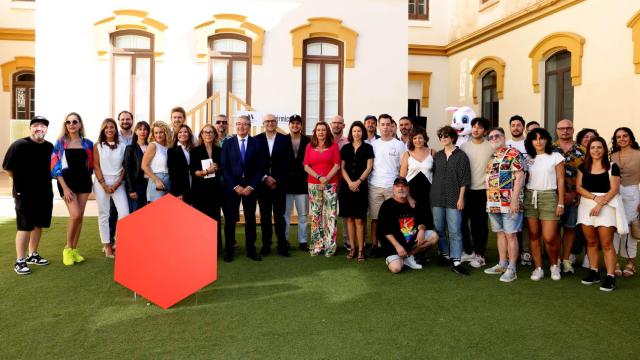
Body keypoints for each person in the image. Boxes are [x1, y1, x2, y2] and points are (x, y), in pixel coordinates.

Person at [3, 116, 53, 275]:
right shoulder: (19, 145)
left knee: (38, 224)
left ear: (46, 130)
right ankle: (20, 260)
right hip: (24, 194)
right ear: (30, 128)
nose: (39, 128)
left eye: (43, 126)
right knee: (25, 226)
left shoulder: (49, 147)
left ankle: (33, 254)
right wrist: (21, 184)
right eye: (36, 125)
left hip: (44, 193)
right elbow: (8, 168)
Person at [577, 137, 623, 291]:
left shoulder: (612, 166)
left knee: (607, 243)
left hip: (607, 206)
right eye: (593, 147)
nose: (596, 150)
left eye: (599, 147)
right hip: (586, 206)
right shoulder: (583, 167)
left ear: (604, 149)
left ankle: (610, 276)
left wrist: (600, 204)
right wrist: (595, 199)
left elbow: (615, 188)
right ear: (589, 150)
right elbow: (579, 188)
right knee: (591, 242)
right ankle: (594, 271)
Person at [50, 112, 93, 266]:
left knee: (80, 217)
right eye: (68, 122)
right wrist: (65, 188)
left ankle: (74, 250)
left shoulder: (88, 143)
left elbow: (91, 165)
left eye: (75, 121)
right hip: (67, 183)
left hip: (84, 182)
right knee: (75, 215)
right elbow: (55, 166)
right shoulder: (60, 143)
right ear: (66, 125)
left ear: (80, 124)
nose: (72, 124)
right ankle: (67, 248)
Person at [522, 128, 565, 281]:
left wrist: (561, 203)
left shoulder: (556, 157)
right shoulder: (527, 159)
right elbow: (523, 180)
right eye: (535, 139)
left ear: (547, 140)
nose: (538, 141)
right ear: (531, 142)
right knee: (534, 235)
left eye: (541, 138)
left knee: (549, 237)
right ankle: (538, 268)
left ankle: (554, 265)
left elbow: (561, 180)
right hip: (530, 197)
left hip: (549, 197)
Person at [482, 127, 525, 282]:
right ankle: (502, 263)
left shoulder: (513, 154)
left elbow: (519, 177)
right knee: (500, 233)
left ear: (504, 137)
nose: (493, 139)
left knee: (511, 235)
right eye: (490, 137)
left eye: (496, 136)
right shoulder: (493, 156)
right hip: (494, 202)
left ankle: (512, 268)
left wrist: (514, 200)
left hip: (509, 202)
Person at [221, 115, 264, 262]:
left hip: (250, 189)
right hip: (232, 188)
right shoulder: (228, 144)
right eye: (238, 124)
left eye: (245, 124)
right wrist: (235, 185)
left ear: (249, 126)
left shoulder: (257, 144)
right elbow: (224, 166)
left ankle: (251, 250)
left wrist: (251, 186)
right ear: (235, 126)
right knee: (230, 221)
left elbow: (260, 167)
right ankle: (229, 251)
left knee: (250, 220)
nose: (241, 127)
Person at [431, 125, 471, 275]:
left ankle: (456, 260)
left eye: (446, 136)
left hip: (455, 198)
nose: (443, 138)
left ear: (453, 137)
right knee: (439, 228)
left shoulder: (461, 156)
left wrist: (461, 198)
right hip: (436, 197)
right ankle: (444, 254)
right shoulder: (438, 156)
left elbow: (464, 180)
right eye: (441, 136)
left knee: (455, 230)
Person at [377, 177, 439, 273]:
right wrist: (398, 246)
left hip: (409, 242)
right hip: (393, 246)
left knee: (434, 236)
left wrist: (422, 230)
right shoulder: (387, 205)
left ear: (408, 189)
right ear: (393, 189)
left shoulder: (413, 204)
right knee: (396, 269)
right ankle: (400, 258)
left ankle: (409, 256)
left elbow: (421, 221)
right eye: (398, 186)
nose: (401, 189)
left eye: (404, 186)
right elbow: (385, 231)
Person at [368, 114, 406, 257]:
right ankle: (375, 245)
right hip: (375, 186)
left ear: (392, 126)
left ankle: (393, 246)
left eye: (387, 124)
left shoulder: (399, 145)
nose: (385, 127)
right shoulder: (373, 144)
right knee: (376, 219)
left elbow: (403, 166)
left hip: (393, 188)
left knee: (394, 219)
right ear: (379, 126)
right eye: (382, 124)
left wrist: (399, 185)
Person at [255, 113, 292, 257]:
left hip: (279, 185)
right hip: (262, 185)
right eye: (267, 121)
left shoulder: (285, 139)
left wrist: (276, 179)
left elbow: (288, 162)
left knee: (279, 216)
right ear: (263, 123)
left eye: (272, 121)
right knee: (264, 217)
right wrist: (265, 177)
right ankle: (266, 245)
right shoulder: (257, 140)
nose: (270, 123)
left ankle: (282, 245)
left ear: (276, 123)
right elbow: (255, 163)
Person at [93, 118, 129, 258]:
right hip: (102, 181)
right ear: (103, 129)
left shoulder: (123, 146)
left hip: (118, 183)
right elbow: (96, 166)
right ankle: (107, 245)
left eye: (112, 127)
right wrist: (103, 184)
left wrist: (117, 183)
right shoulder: (98, 146)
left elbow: (125, 167)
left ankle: (119, 243)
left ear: (115, 129)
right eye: (106, 127)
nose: (109, 130)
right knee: (104, 214)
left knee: (124, 214)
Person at [460, 117, 494, 268]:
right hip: (466, 190)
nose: (475, 129)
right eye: (473, 126)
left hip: (483, 191)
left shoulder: (491, 146)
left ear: (485, 131)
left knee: (479, 224)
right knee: (461, 222)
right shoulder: (464, 146)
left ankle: (480, 254)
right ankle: (468, 251)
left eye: (479, 127)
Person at [552, 119, 585, 274]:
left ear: (573, 130)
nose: (565, 131)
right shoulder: (549, 149)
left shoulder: (583, 151)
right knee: (554, 230)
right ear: (557, 130)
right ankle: (556, 260)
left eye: (568, 128)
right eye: (561, 128)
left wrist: (575, 194)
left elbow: (588, 175)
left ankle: (566, 260)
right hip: (553, 198)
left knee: (570, 229)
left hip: (574, 197)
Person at [303, 122, 341, 257]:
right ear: (315, 132)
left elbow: (337, 165)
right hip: (313, 184)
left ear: (327, 132)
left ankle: (330, 247)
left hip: (331, 184)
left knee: (330, 215)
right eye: (318, 130)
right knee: (315, 216)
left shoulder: (334, 146)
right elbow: (306, 166)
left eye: (323, 130)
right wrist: (319, 178)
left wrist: (326, 179)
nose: (321, 132)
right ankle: (316, 246)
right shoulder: (309, 146)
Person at [339, 121, 374, 262]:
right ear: (351, 132)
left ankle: (360, 250)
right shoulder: (345, 148)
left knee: (360, 219)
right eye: (354, 131)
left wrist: (358, 181)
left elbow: (369, 167)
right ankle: (352, 248)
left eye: (359, 131)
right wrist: (349, 183)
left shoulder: (368, 148)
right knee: (350, 219)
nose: (357, 133)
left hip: (361, 187)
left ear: (362, 132)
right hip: (347, 187)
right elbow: (342, 168)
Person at [610, 127, 640, 277]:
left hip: (633, 193)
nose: (621, 139)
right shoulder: (612, 155)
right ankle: (614, 262)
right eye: (618, 137)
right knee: (614, 227)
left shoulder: (639, 154)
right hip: (614, 193)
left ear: (631, 138)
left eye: (625, 136)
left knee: (630, 227)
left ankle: (630, 262)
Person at [399, 127, 434, 254]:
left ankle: (424, 253)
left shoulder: (432, 152)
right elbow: (402, 179)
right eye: (414, 138)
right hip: (411, 194)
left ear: (424, 138)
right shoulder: (407, 154)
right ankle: (409, 252)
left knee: (428, 223)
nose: (417, 140)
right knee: (411, 225)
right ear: (411, 140)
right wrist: (408, 197)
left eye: (420, 137)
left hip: (428, 194)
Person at [190, 124, 223, 251]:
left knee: (215, 219)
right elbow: (193, 171)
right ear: (201, 135)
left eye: (210, 132)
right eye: (205, 132)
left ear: (214, 135)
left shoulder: (219, 150)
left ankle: (216, 248)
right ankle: (202, 249)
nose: (208, 134)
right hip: (200, 190)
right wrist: (206, 171)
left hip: (215, 190)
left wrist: (218, 167)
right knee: (201, 220)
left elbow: (224, 168)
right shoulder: (195, 151)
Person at [506, 114, 531, 264]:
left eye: (518, 125)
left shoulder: (529, 144)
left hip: (527, 187)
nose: (516, 128)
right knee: (511, 220)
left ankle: (526, 252)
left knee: (526, 222)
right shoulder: (506, 144)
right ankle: (511, 253)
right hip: (510, 188)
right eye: (513, 125)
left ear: (523, 127)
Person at [284, 115, 311, 251]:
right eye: (293, 123)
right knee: (286, 215)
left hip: (302, 183)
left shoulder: (308, 141)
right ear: (289, 125)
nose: (295, 125)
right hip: (286, 183)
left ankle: (303, 241)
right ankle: (285, 240)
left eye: (298, 123)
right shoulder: (283, 140)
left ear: (301, 125)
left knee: (303, 215)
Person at [108, 110, 134, 244]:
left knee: (130, 209)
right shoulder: (113, 136)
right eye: (122, 119)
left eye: (127, 119)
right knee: (113, 211)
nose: (125, 122)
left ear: (132, 120)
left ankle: (127, 239)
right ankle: (111, 239)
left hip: (132, 177)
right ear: (119, 121)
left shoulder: (138, 135)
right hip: (116, 178)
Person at [141, 121, 172, 202]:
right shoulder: (153, 145)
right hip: (156, 180)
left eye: (161, 132)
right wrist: (156, 180)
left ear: (166, 133)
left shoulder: (168, 147)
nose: (158, 135)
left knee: (165, 211)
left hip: (168, 180)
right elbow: (144, 165)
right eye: (156, 133)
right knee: (156, 212)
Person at [124, 121, 150, 212]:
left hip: (151, 184)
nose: (142, 132)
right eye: (140, 129)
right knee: (136, 213)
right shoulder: (130, 148)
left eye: (145, 129)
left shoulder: (152, 147)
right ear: (135, 131)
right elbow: (128, 169)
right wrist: (131, 190)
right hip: (137, 186)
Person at [168, 124, 194, 204]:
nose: (183, 134)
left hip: (193, 186)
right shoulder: (172, 151)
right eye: (180, 132)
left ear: (189, 134)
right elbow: (173, 173)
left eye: (185, 132)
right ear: (176, 135)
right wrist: (178, 193)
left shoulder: (193, 149)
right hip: (181, 189)